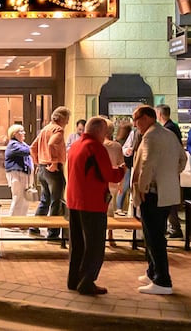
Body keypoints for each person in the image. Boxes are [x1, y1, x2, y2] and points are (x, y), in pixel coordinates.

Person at [66, 117, 125, 295]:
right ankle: (86, 281)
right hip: (92, 202)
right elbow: (109, 174)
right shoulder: (95, 147)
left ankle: (73, 279)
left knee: (77, 243)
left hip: (74, 200)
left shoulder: (76, 145)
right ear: (100, 131)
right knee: (94, 245)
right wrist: (122, 169)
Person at [131, 105, 186, 295]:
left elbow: (147, 163)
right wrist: (169, 175)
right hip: (167, 192)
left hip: (152, 193)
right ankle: (152, 271)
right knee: (156, 233)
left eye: (136, 120)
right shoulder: (169, 134)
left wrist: (143, 186)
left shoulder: (151, 136)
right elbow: (183, 159)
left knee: (154, 237)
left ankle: (162, 280)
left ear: (146, 118)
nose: (135, 124)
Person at [27, 107, 70, 240]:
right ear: (61, 118)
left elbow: (32, 147)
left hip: (42, 168)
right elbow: (52, 144)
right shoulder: (58, 129)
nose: (67, 122)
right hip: (53, 170)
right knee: (56, 201)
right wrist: (54, 162)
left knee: (45, 199)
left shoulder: (45, 129)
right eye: (67, 119)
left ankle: (34, 226)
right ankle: (53, 233)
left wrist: (38, 162)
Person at [156, 104, 183, 239]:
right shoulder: (172, 127)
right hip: (172, 169)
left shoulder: (169, 129)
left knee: (169, 201)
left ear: (160, 114)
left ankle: (174, 227)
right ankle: (173, 226)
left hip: (169, 170)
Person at [102, 119, 125, 246]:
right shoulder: (117, 146)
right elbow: (122, 165)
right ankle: (110, 235)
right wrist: (121, 182)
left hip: (101, 180)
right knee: (111, 209)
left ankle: (101, 234)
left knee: (101, 209)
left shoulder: (99, 145)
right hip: (114, 180)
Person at [4, 124, 33, 219]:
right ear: (14, 134)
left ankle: (21, 221)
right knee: (18, 198)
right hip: (16, 174)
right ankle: (13, 222)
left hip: (23, 174)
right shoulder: (13, 144)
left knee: (25, 199)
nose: (24, 133)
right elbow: (28, 151)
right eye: (21, 131)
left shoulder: (22, 143)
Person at [114, 122, 133, 216]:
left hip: (123, 165)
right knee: (124, 187)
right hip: (127, 165)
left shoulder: (117, 141)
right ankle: (119, 207)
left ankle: (120, 207)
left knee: (123, 187)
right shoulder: (125, 142)